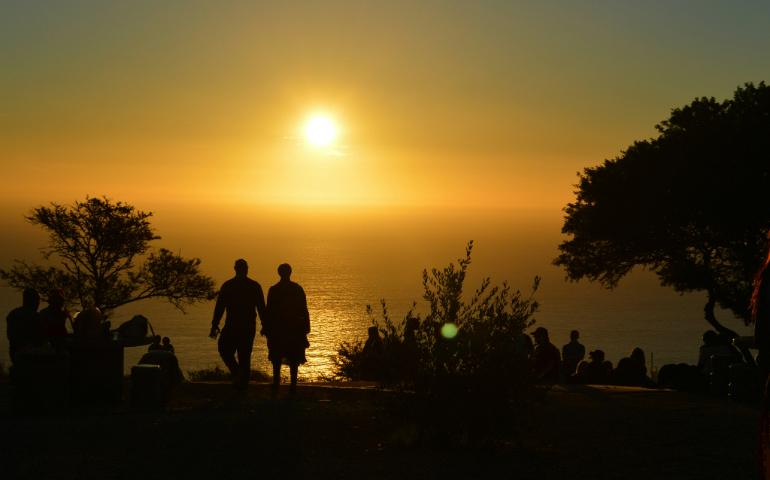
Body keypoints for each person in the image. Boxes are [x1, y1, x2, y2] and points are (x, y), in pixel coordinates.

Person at [210, 259, 266, 390]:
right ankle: (239, 376)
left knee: (238, 353)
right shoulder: (252, 286)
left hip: (238, 325)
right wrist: (265, 325)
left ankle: (240, 380)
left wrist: (215, 324)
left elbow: (220, 307)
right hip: (242, 326)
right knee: (238, 353)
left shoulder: (229, 285)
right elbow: (261, 308)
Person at [264, 263, 310, 393]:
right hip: (293, 329)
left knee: (277, 358)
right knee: (293, 358)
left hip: (278, 330)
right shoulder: (297, 289)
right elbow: (304, 309)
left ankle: (276, 383)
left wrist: (266, 327)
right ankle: (293, 385)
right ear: (290, 272)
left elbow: (269, 311)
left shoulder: (274, 290)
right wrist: (306, 327)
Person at [6, 288, 43, 364]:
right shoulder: (36, 317)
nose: (38, 303)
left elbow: (10, 336)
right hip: (29, 354)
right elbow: (40, 339)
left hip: (15, 352)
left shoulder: (13, 314)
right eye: (37, 300)